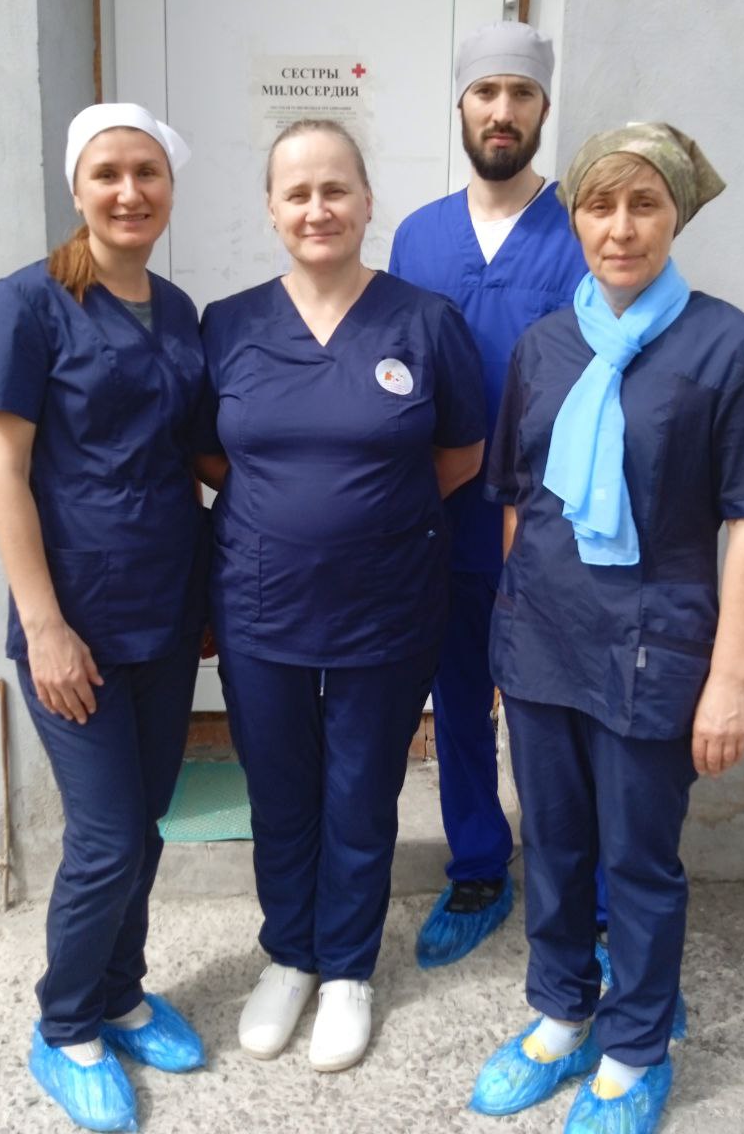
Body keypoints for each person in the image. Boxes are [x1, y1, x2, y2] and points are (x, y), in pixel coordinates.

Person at [469, 122, 744, 1132]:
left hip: (655, 650)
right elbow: (519, 500)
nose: (620, 228)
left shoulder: (731, 346)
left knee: (639, 862)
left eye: (644, 204)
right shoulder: (543, 344)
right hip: (541, 644)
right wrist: (512, 628)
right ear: (575, 218)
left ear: (677, 215)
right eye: (599, 205)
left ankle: (635, 1046)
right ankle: (561, 1012)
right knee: (552, 843)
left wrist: (730, 681)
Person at [197, 119, 485, 1072]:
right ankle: (290, 956)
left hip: (388, 606)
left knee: (362, 793)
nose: (317, 209)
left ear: (366, 201)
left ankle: (349, 970)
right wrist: (289, 509)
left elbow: (462, 452)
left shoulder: (426, 322)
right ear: (272, 211)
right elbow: (207, 453)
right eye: (297, 193)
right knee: (280, 791)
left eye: (335, 190)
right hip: (260, 606)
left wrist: (371, 514)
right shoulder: (228, 324)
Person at [0, 103, 209, 1133]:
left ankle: (121, 991)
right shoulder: (28, 302)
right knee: (108, 836)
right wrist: (45, 625)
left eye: (147, 173)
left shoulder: (179, 308)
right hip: (72, 619)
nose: (129, 191)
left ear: (170, 189)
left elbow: (190, 456)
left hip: (165, 608)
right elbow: (4, 468)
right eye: (108, 172)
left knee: (145, 825)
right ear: (77, 187)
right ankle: (65, 1022)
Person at [389, 21, 598, 968]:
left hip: (559, 526)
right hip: (444, 518)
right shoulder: (418, 236)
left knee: (566, 716)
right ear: (463, 105)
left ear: (544, 107)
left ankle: (589, 898)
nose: (502, 111)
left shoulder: (581, 230)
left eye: (521, 93)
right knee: (460, 699)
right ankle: (478, 866)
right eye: (486, 92)